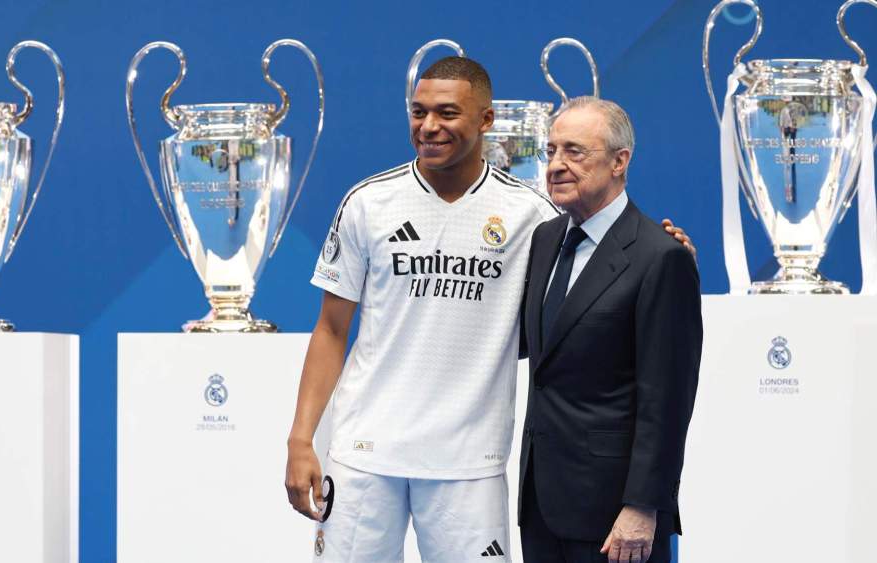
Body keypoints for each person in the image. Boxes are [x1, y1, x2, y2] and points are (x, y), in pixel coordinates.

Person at [285, 57, 693, 562]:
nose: (429, 126)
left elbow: (609, 249)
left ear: (486, 120)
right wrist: (302, 438)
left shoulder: (534, 215)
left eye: (448, 112)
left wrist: (668, 248)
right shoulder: (368, 202)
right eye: (419, 111)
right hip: (364, 454)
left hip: (470, 464)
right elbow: (330, 329)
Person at [517, 97, 702, 563]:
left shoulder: (662, 257)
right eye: (552, 150)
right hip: (541, 506)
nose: (556, 165)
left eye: (575, 152)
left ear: (620, 161)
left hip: (616, 517)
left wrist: (643, 504)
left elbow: (667, 400)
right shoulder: (544, 239)